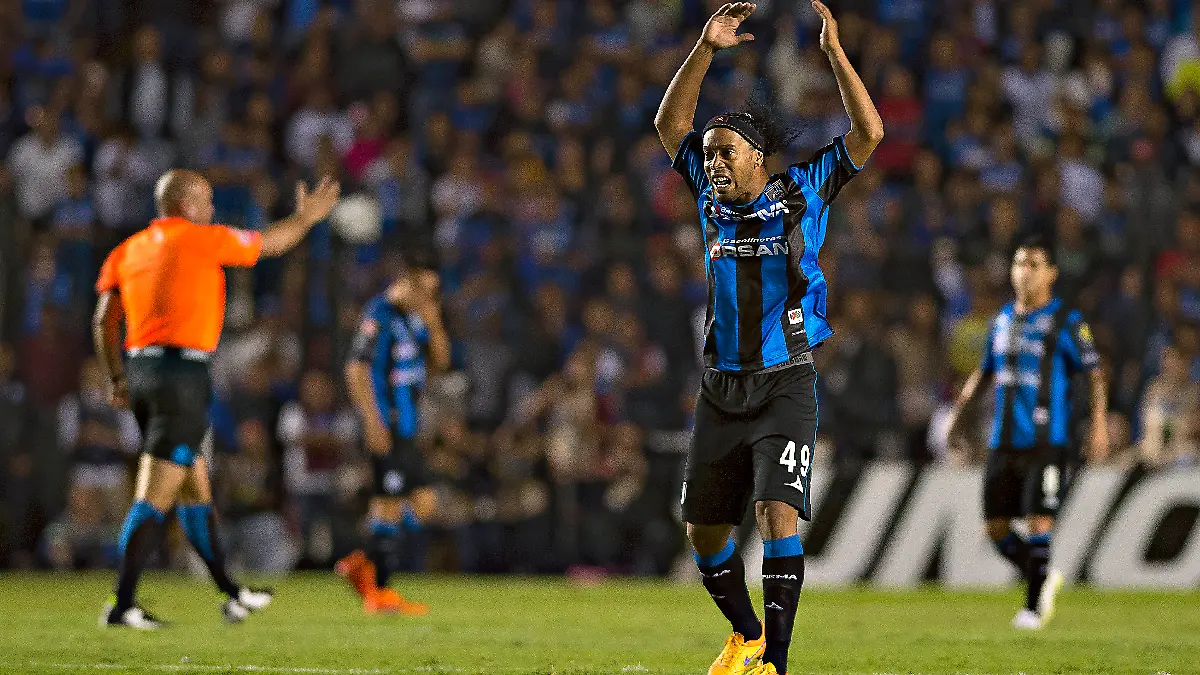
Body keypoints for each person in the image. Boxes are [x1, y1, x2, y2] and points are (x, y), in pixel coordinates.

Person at [653, 3, 882, 674]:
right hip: (720, 385)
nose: (713, 160)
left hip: (785, 380)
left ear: (759, 156)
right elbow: (670, 125)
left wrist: (836, 54)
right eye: (711, 152)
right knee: (704, 532)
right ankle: (746, 632)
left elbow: (868, 132)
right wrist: (703, 46)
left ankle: (777, 663)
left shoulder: (802, 191)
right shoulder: (707, 197)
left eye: (726, 151)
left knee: (776, 512)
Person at [93, 169, 341, 629]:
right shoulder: (201, 239)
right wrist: (305, 220)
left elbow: (105, 317)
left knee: (195, 490)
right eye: (206, 201)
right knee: (156, 492)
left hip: (143, 369)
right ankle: (122, 602)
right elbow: (269, 244)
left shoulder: (128, 249)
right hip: (182, 374)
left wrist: (117, 378)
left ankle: (230, 592)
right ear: (186, 203)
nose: (211, 210)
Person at [945, 233, 1108, 631]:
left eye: (1034, 264)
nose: (1025, 272)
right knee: (996, 528)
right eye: (1019, 263)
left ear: (1051, 273)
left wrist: (1099, 424)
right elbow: (983, 373)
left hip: (1047, 441)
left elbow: (1095, 374)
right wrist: (958, 416)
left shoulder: (1066, 320)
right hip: (1003, 441)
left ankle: (1034, 608)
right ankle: (1042, 576)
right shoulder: (1001, 320)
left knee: (1039, 521)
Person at [336, 258, 450, 614]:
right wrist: (372, 421)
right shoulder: (379, 315)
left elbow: (440, 364)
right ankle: (379, 591)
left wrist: (434, 322)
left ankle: (360, 562)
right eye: (426, 293)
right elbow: (355, 369)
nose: (430, 300)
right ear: (408, 283)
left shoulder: (414, 319)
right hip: (385, 425)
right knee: (388, 505)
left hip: (407, 428)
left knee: (423, 504)